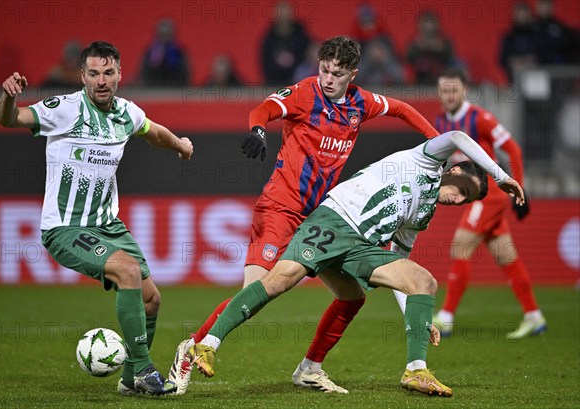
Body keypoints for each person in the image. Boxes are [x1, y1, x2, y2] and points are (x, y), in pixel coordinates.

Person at [169, 35, 441, 395]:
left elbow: (403, 109)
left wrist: (437, 144)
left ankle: (310, 369)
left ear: (352, 74)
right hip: (281, 208)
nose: (328, 79)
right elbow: (264, 108)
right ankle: (191, 349)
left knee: (351, 297)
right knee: (257, 290)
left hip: (322, 218)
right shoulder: (305, 93)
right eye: (324, 70)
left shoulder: (362, 103)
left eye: (337, 73)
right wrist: (257, 130)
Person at [184, 130, 526, 398]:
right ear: (453, 170)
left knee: (417, 283)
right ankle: (208, 344)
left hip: (361, 247)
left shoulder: (422, 215)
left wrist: (419, 317)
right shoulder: (426, 161)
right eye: (463, 187)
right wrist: (499, 175)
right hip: (336, 219)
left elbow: (400, 265)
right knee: (280, 281)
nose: (459, 198)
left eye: (467, 199)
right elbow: (457, 138)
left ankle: (398, 369)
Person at [0, 41, 193, 395]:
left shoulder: (125, 113)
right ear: (82, 76)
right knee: (128, 271)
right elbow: (9, 118)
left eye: (108, 72)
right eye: (94, 73)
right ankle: (146, 370)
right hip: (66, 228)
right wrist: (9, 96)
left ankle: (131, 379)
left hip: (108, 226)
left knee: (151, 299)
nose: (101, 80)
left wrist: (179, 145)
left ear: (119, 74)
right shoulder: (65, 109)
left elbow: (154, 132)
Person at [432, 68, 547, 339]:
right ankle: (534, 316)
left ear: (465, 91)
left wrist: (518, 186)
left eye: (454, 90)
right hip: (474, 195)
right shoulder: (439, 121)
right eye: (444, 90)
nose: (449, 95)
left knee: (461, 244)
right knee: (505, 255)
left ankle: (446, 317)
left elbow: (513, 149)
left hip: (491, 193)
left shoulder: (480, 118)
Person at [261, 1, 312, 85]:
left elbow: (307, 55)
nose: (283, 16)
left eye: (286, 12)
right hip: (275, 83)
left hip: (300, 82)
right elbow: (266, 64)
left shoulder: (301, 34)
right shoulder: (269, 39)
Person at [406, 11, 455, 84]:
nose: (429, 31)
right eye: (426, 28)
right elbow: (408, 58)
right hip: (420, 80)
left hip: (442, 78)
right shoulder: (414, 43)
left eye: (431, 28)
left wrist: (440, 48)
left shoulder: (444, 43)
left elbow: (451, 57)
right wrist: (419, 47)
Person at [140, 18, 190, 86]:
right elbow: (143, 72)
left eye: (168, 35)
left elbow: (186, 74)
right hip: (153, 88)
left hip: (175, 88)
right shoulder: (149, 52)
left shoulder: (180, 52)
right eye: (162, 35)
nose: (165, 38)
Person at [498, 2, 538, 83]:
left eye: (524, 14)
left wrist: (532, 60)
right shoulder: (509, 37)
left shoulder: (537, 36)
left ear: (529, 15)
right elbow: (502, 59)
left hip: (536, 78)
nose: (521, 17)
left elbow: (544, 54)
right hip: (514, 80)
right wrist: (513, 62)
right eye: (519, 14)